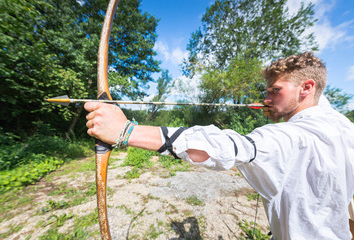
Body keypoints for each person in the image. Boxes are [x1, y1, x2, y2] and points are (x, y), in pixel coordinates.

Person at [84, 52, 354, 239]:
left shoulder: (290, 137)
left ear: (306, 88)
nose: (267, 97)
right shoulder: (345, 129)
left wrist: (125, 130)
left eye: (276, 90)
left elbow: (227, 147)